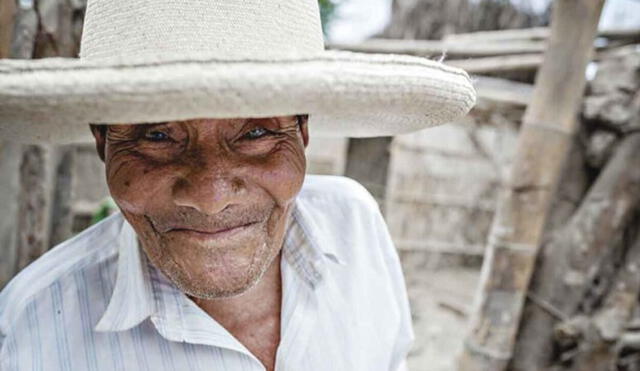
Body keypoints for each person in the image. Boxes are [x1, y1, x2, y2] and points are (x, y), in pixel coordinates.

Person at [0, 0, 476, 370]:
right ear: (102, 141)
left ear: (303, 132)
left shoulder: (355, 223)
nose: (211, 198)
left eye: (254, 133)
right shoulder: (32, 329)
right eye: (158, 136)